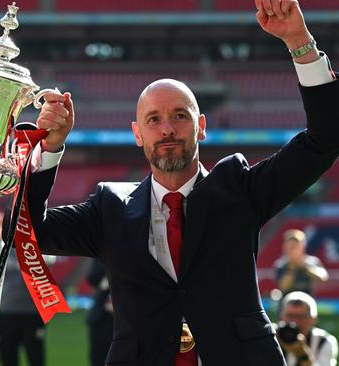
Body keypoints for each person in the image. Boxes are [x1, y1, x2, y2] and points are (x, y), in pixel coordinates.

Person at [21, 1, 338, 365]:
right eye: (153, 119)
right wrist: (50, 147)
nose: (167, 128)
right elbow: (28, 230)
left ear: (201, 125)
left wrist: (299, 41)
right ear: (138, 134)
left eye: (179, 116)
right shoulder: (109, 208)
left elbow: (325, 138)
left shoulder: (239, 189)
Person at [0, 212, 52, 366]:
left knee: (36, 359)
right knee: (8, 359)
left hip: (32, 312)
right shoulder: (2, 244)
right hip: (6, 311)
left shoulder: (32, 242)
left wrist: (32, 238)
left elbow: (48, 262)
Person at [276, 291, 338, 366]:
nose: (294, 322)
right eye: (290, 316)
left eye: (301, 317)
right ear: (282, 317)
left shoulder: (323, 341)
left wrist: (304, 355)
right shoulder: (271, 336)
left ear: (313, 319)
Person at [274, 229, 329, 297]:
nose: (293, 249)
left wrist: (305, 267)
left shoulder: (312, 261)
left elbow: (323, 277)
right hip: (288, 304)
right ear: (285, 247)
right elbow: (283, 287)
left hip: (307, 301)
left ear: (303, 246)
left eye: (296, 245)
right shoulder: (280, 264)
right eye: (291, 246)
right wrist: (291, 268)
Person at [85, 260, 114, 366]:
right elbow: (92, 278)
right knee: (97, 358)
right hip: (101, 316)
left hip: (126, 319)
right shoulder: (103, 251)